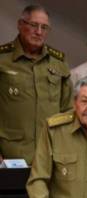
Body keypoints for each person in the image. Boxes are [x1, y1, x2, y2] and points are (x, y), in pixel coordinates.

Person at [0, 5, 73, 165]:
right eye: (33, 25)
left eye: (44, 27)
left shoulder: (58, 62)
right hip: (11, 156)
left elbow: (68, 111)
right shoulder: (2, 60)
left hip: (52, 155)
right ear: (20, 24)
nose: (39, 32)